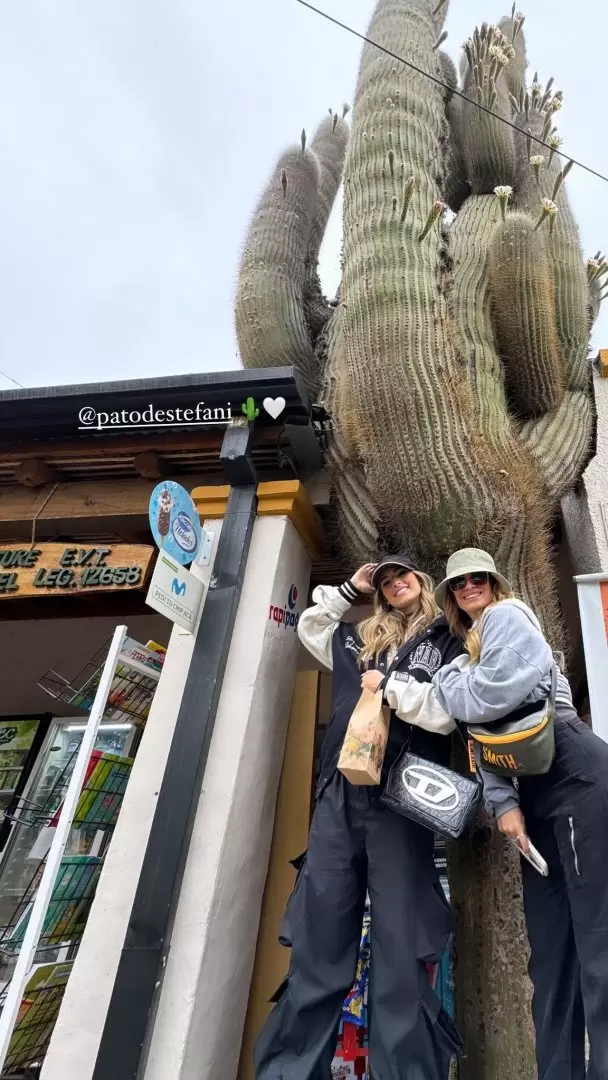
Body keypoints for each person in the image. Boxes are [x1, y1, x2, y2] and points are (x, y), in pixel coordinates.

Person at [385, 547, 608, 1080]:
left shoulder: (509, 617)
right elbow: (483, 736)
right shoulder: (470, 649)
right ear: (450, 598)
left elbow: (486, 699)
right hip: (530, 792)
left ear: (494, 582)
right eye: (459, 584)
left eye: (479, 578)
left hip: (575, 774)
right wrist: (504, 803)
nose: (470, 588)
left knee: (597, 937)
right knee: (549, 951)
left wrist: (446, 683)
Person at [254, 555, 464, 1080]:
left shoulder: (448, 641)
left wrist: (389, 688)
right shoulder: (356, 641)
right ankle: (290, 1072)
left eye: (404, 575)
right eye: (387, 580)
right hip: (339, 796)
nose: (396, 584)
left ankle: (408, 1072)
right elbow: (311, 626)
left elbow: (446, 712)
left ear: (423, 581)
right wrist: (352, 585)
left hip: (401, 800)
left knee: (402, 946)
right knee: (319, 937)